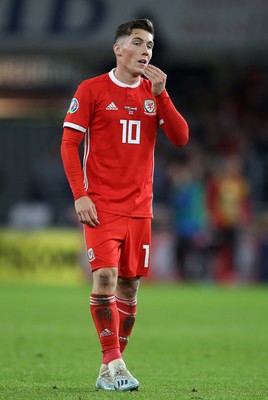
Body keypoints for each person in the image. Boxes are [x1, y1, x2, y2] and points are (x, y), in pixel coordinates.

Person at [61, 18, 188, 392]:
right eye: (138, 42)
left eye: (150, 45)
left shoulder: (153, 93)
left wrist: (163, 94)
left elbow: (180, 138)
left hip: (140, 208)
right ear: (118, 49)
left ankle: (111, 369)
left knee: (129, 288)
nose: (146, 50)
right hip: (100, 205)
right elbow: (69, 146)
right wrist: (80, 194)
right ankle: (115, 363)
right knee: (105, 278)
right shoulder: (92, 90)